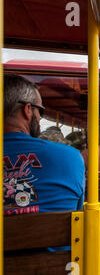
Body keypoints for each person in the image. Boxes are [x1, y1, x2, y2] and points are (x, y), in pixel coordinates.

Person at [3, 74, 85, 215]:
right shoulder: (70, 157)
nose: (40, 118)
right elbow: (78, 211)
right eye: (40, 111)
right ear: (28, 110)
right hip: (54, 237)